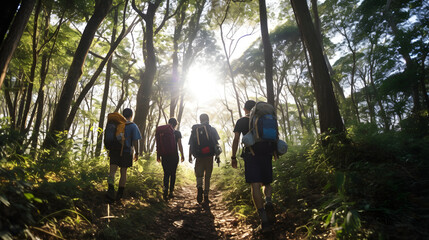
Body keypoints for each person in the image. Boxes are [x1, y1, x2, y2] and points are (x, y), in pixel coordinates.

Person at [231, 100, 276, 232]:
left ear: (245, 109)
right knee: (267, 182)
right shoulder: (264, 118)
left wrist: (233, 157)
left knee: (255, 183)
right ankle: (268, 202)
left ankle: (264, 220)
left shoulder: (242, 121)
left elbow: (236, 139)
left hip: (252, 154)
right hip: (267, 152)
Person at [106, 108, 142, 202]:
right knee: (123, 172)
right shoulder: (133, 126)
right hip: (126, 152)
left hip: (114, 150)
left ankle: (110, 189)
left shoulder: (116, 123)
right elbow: (135, 141)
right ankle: (119, 195)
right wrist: (137, 153)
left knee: (112, 171)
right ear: (131, 115)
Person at [189, 113, 220, 204]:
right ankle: (206, 195)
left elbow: (191, 144)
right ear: (208, 119)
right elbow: (216, 144)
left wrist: (190, 155)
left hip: (199, 156)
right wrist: (217, 156)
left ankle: (199, 187)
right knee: (208, 176)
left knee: (199, 174)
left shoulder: (195, 130)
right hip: (209, 156)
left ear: (200, 120)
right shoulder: (212, 129)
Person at [157, 118, 185, 200]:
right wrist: (182, 155)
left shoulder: (162, 132)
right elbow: (180, 145)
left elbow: (158, 144)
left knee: (166, 173)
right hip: (174, 155)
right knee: (173, 173)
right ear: (176, 124)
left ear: (168, 123)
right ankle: (171, 192)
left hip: (164, 155)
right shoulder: (177, 133)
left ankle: (165, 189)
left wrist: (158, 155)